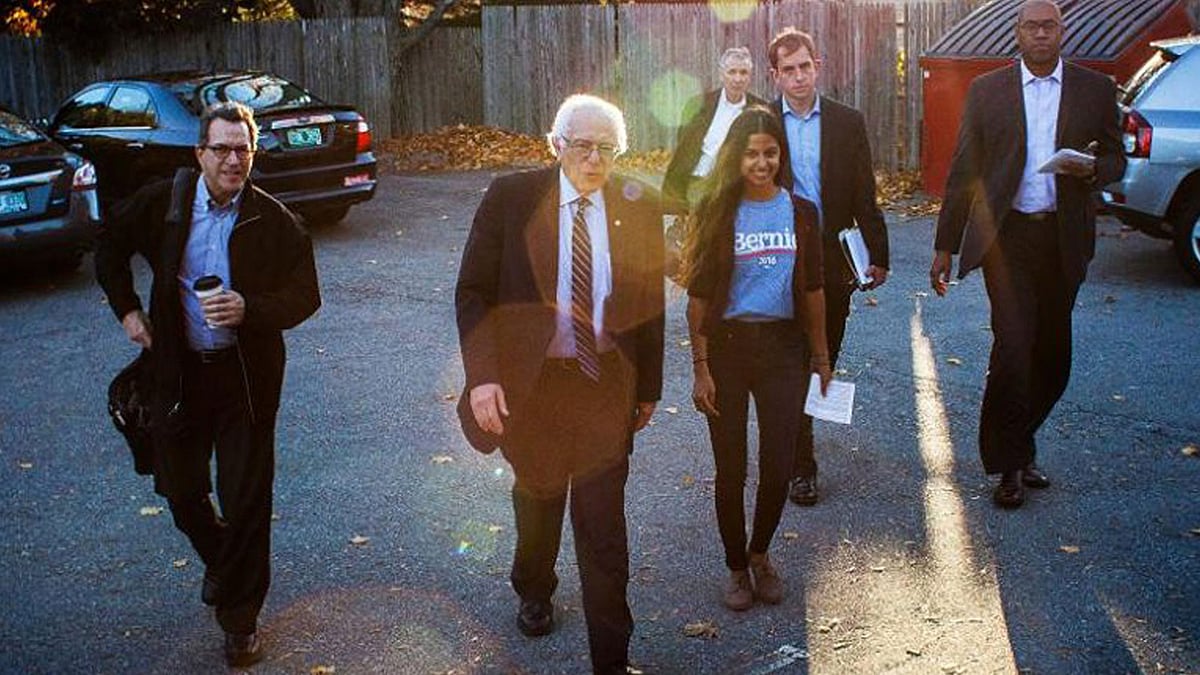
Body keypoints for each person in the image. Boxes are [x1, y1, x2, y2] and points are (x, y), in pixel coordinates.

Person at [95, 101, 320, 667]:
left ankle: (240, 620)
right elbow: (109, 249)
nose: (232, 160)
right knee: (179, 490)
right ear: (199, 154)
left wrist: (251, 308)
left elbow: (305, 296)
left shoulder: (273, 220)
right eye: (220, 149)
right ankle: (226, 563)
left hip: (245, 383)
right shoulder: (164, 206)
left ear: (253, 153)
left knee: (246, 498)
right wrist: (127, 311)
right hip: (179, 376)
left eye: (242, 149)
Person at [454, 94, 664, 674]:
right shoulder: (512, 199)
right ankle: (534, 585)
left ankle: (611, 660)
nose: (596, 160)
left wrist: (649, 386)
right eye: (584, 146)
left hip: (603, 386)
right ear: (556, 145)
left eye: (608, 149)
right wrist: (482, 378)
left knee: (602, 529)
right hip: (535, 386)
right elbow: (473, 291)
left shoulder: (636, 204)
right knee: (540, 500)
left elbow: (648, 304)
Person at [930, 0, 1125, 509]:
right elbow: (963, 169)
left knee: (1054, 358)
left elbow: (1117, 159)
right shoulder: (988, 90)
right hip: (1007, 238)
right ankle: (1009, 464)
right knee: (1013, 350)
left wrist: (1091, 170)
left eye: (1049, 26)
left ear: (1062, 32)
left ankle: (1020, 440)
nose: (1040, 34)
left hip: (1062, 240)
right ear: (1016, 33)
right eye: (1031, 26)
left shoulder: (1095, 89)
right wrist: (945, 244)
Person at [684, 106, 832, 611]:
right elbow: (698, 297)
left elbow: (813, 289)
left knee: (777, 467)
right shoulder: (717, 210)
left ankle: (760, 553)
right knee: (731, 470)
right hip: (726, 350)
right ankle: (734, 567)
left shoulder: (802, 212)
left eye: (770, 153)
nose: (762, 163)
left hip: (783, 351)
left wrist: (821, 355)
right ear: (735, 157)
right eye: (751, 154)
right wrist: (700, 367)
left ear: (781, 156)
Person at [767, 27, 890, 506]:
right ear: (775, 76)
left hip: (832, 258)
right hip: (776, 254)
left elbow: (864, 190)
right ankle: (800, 464)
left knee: (823, 354)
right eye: (788, 69)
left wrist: (878, 253)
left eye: (805, 66)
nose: (798, 77)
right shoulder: (760, 122)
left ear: (818, 66)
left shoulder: (846, 121)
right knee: (787, 359)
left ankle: (797, 444)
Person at [663, 47, 768, 210]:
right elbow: (683, 145)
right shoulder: (698, 105)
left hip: (737, 189)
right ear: (721, 75)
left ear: (750, 77)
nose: (737, 79)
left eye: (743, 73)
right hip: (698, 184)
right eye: (732, 72)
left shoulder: (760, 110)